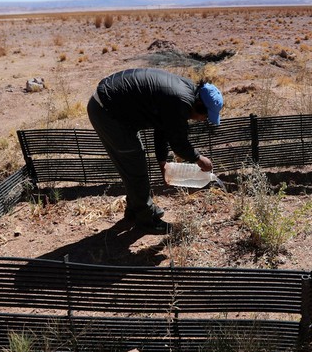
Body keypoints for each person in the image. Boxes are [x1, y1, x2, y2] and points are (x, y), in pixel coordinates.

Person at [87, 68, 223, 234]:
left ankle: (134, 210)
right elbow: (179, 144)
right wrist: (199, 159)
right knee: (135, 166)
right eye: (206, 116)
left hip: (111, 107)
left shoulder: (187, 92)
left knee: (134, 164)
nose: (204, 120)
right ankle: (146, 221)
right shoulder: (181, 101)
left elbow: (162, 128)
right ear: (200, 105)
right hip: (107, 112)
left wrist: (162, 163)